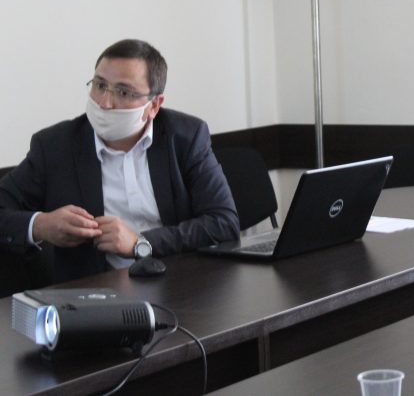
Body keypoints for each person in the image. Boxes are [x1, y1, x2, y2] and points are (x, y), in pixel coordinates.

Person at [0, 39, 239, 284]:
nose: (104, 102)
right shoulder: (55, 146)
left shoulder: (185, 137)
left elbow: (223, 223)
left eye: (124, 92)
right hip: (96, 292)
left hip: (181, 285)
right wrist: (40, 225)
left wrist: (140, 243)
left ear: (154, 105)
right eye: (100, 85)